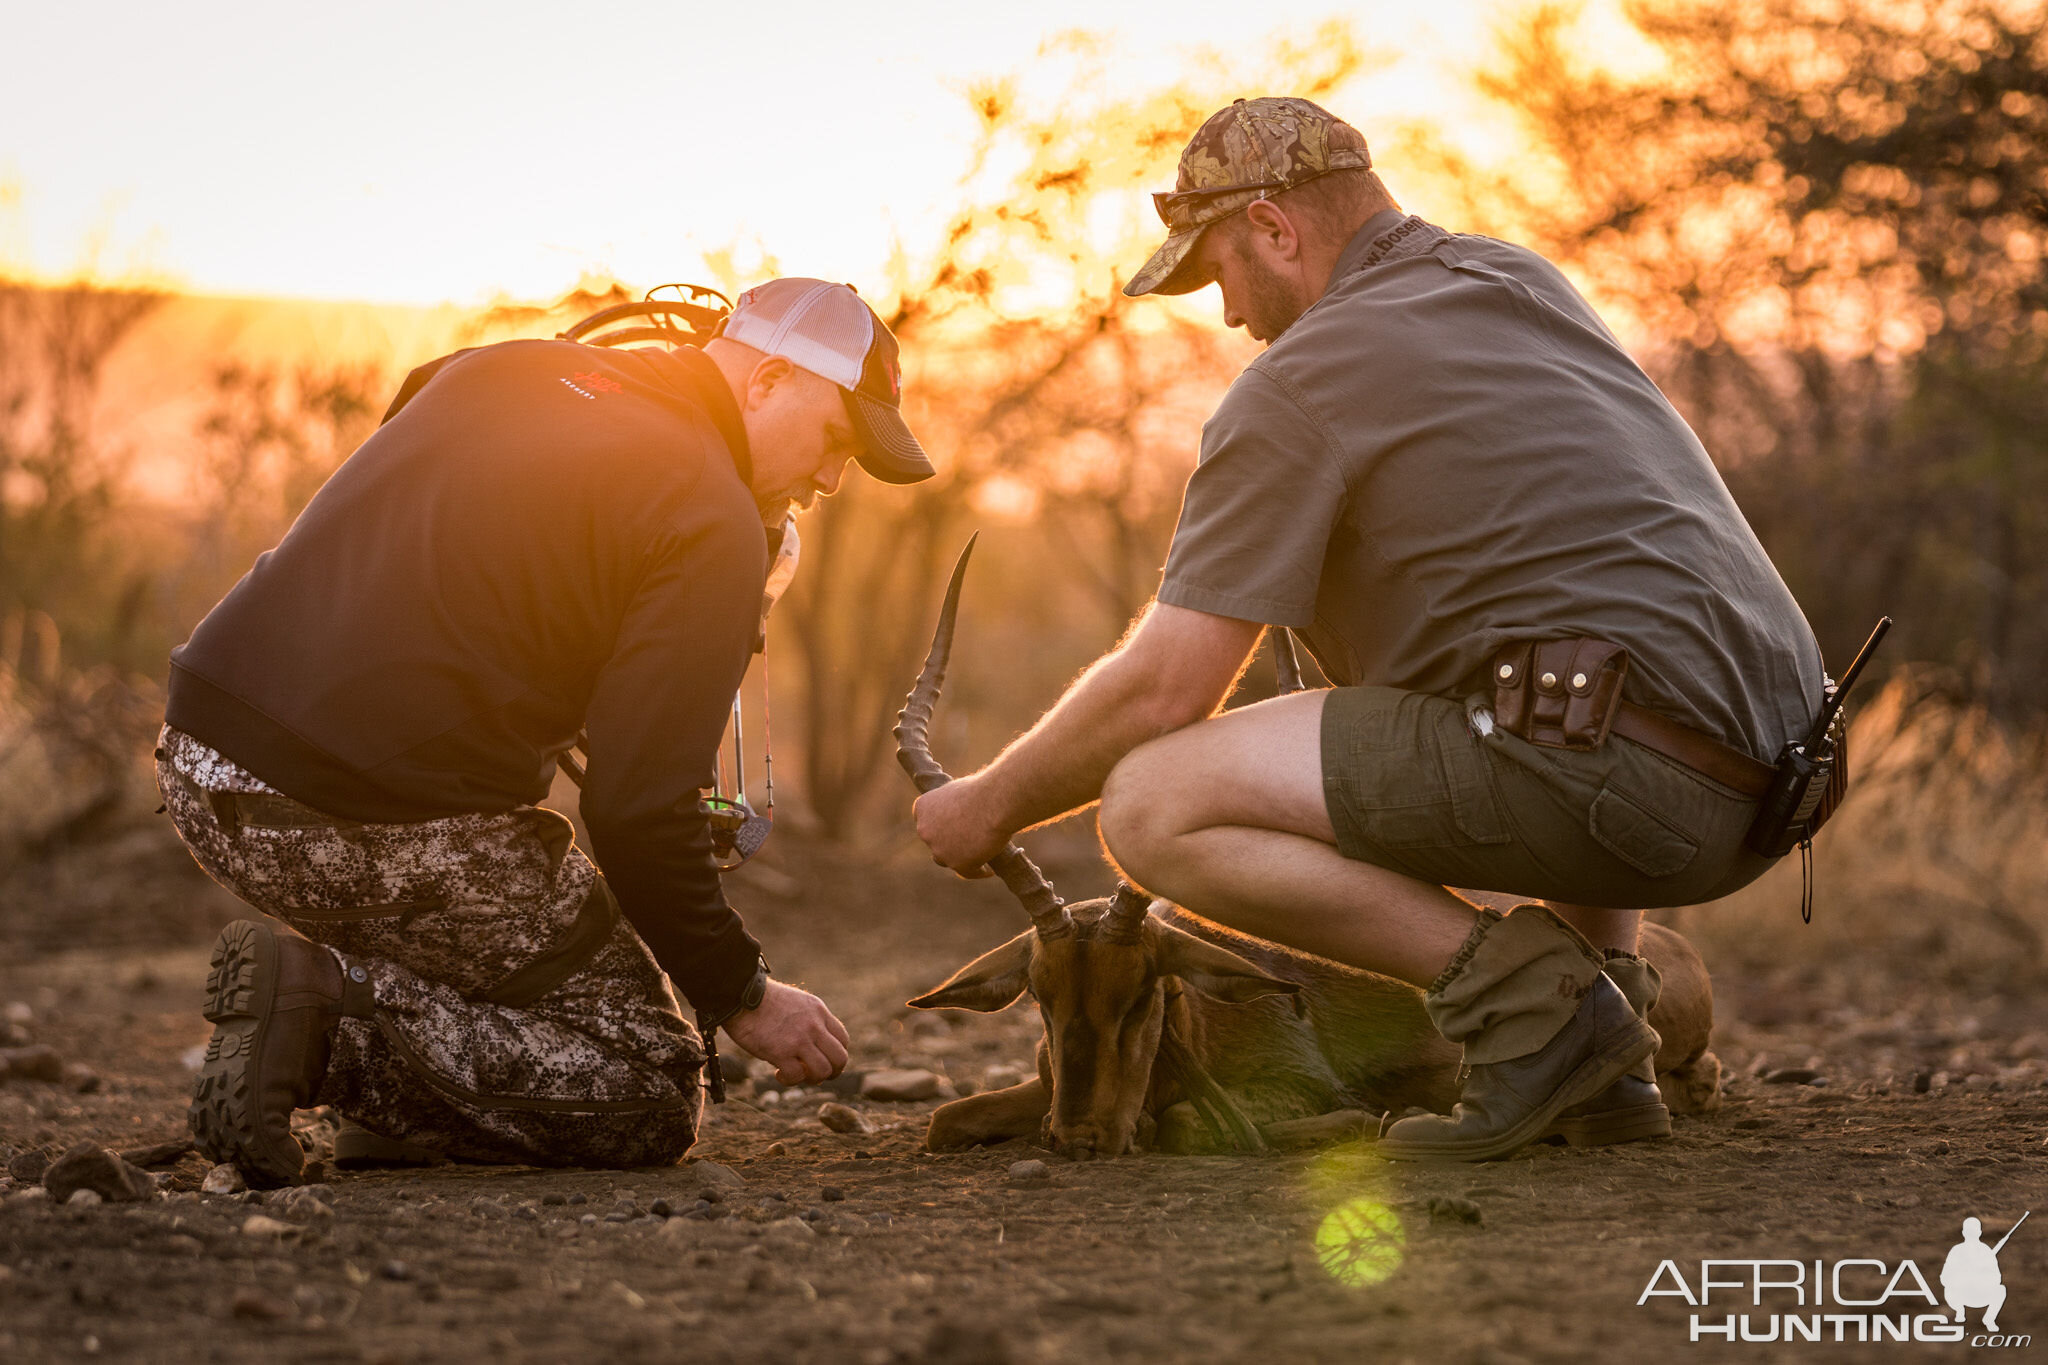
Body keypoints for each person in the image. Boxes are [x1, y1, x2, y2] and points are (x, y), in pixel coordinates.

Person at [914, 98, 1823, 1162]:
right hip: (1776, 779)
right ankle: (1606, 1036)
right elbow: (1595, 594)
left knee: (1150, 805)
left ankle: (1543, 1021)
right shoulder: (1515, 280)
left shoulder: (1297, 382)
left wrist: (988, 804)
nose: (1226, 316)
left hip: (1645, 791)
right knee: (1547, 660)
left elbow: (1166, 688)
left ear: (1271, 229)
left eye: (1216, 274)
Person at [163, 278, 934, 1185]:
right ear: (766, 382)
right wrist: (743, 993)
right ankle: (323, 1027)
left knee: (510, 918)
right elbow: (638, 811)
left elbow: (418, 439)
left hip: (200, 753)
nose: (834, 479)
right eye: (838, 440)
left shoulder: (502, 367)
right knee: (648, 1075)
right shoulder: (712, 517)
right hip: (350, 810)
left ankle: (408, 1108)